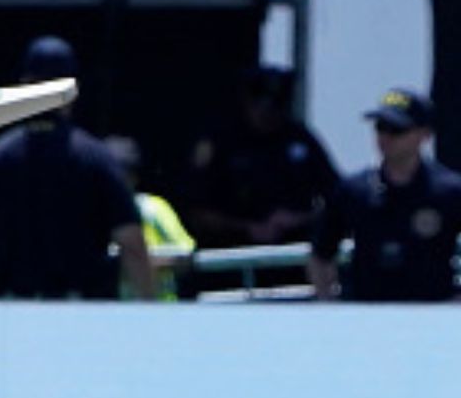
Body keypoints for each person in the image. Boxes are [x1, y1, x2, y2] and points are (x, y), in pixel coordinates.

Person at [0, 37, 155, 301]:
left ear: (23, 87)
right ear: (71, 90)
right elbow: (132, 245)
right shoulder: (96, 159)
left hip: (11, 317)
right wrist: (151, 311)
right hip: (79, 315)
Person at [309, 87, 461, 301]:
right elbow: (321, 254)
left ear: (424, 134)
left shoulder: (449, 191)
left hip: (431, 317)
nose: (386, 137)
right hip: (367, 317)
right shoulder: (353, 191)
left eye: (397, 129)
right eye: (381, 128)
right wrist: (328, 304)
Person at [182, 63, 340, 247]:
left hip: (290, 256)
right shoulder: (221, 142)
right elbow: (195, 210)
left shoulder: (300, 140)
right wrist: (248, 228)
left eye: (276, 105)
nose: (267, 113)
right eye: (260, 104)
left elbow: (339, 198)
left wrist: (298, 219)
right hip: (231, 256)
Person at [105, 135, 196, 299]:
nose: (117, 181)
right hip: (111, 319)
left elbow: (186, 255)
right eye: (110, 174)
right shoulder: (90, 214)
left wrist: (136, 264)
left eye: (125, 172)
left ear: (134, 176)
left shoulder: (154, 208)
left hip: (161, 315)